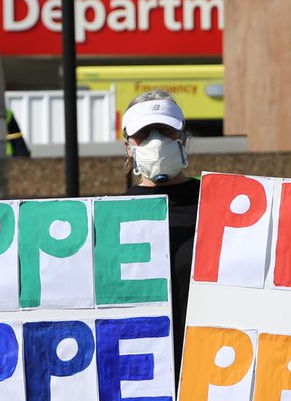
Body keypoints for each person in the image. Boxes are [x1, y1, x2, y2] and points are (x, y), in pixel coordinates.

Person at [122, 88, 199, 380]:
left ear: (183, 138)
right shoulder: (111, 216)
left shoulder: (221, 205)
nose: (157, 141)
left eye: (166, 131)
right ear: (128, 146)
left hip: (209, 372)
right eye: (145, 134)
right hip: (143, 377)